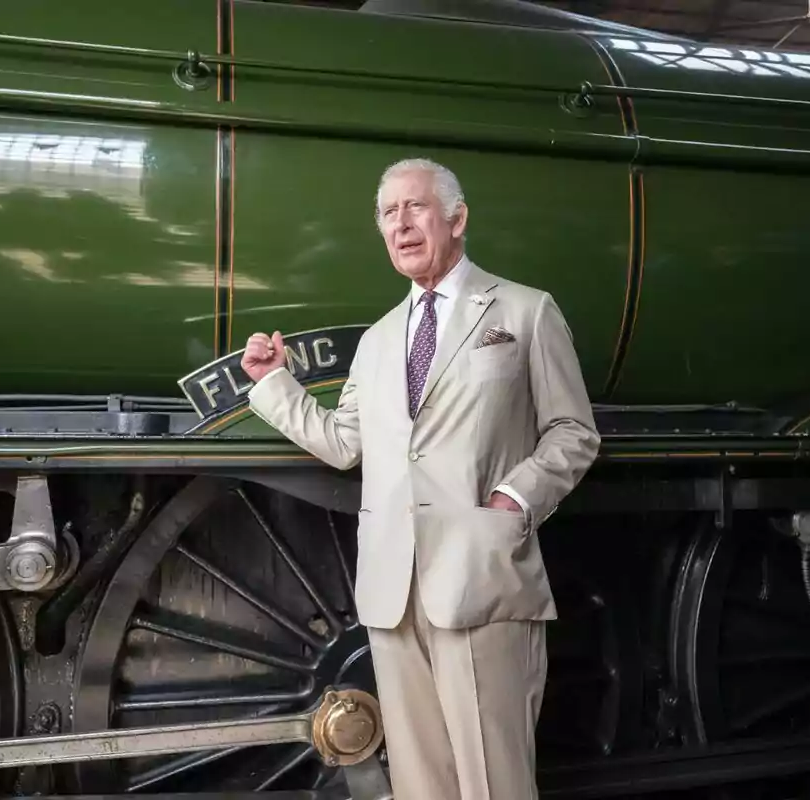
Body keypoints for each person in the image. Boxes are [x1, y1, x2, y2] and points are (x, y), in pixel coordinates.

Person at [239, 158, 600, 800]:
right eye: (387, 214)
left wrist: (513, 500)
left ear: (457, 219)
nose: (400, 225)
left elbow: (573, 432)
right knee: (419, 786)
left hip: (482, 578)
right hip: (391, 592)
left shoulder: (525, 311)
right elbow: (344, 443)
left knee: (496, 785)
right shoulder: (377, 341)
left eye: (416, 208)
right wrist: (272, 383)